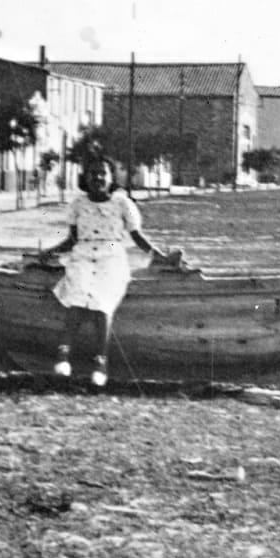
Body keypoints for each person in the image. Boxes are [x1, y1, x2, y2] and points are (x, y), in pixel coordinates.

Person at [42, 155, 171, 388]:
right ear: (86, 178)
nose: (98, 178)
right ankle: (63, 356)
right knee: (77, 296)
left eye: (103, 173)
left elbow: (137, 237)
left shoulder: (122, 204)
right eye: (93, 173)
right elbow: (72, 239)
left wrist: (160, 256)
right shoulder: (78, 204)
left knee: (102, 302)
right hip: (82, 254)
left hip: (111, 255)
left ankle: (101, 361)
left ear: (111, 178)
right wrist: (49, 252)